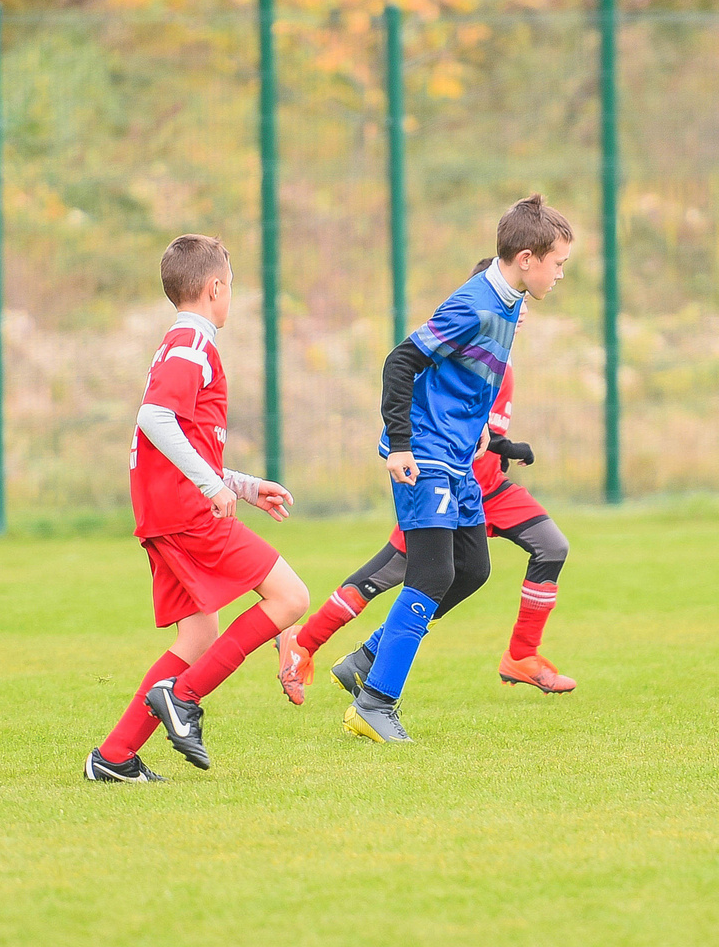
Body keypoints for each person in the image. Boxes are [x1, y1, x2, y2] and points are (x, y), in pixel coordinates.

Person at [334, 197, 573, 743]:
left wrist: (496, 440)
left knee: (471, 569)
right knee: (433, 573)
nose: (561, 274)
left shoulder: (509, 299)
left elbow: (460, 380)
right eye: (558, 263)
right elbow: (402, 362)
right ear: (528, 257)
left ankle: (367, 658)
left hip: (457, 456)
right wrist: (398, 446)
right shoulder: (476, 305)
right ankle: (375, 702)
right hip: (424, 454)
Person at [280, 260, 575, 700]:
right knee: (384, 578)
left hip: (484, 487)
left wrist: (504, 448)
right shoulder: (471, 328)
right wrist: (405, 443)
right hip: (437, 477)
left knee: (546, 549)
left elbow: (482, 431)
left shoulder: (501, 357)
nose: (522, 310)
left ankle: (522, 655)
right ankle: (306, 645)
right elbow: (409, 372)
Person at [85, 234, 309, 780]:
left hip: (166, 510)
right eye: (230, 287)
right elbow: (154, 419)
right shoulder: (192, 343)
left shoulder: (178, 343)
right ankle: (182, 700)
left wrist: (245, 486)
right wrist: (212, 489)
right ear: (214, 288)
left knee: (198, 636)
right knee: (290, 597)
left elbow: (181, 440)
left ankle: (113, 758)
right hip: (186, 512)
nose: (230, 296)